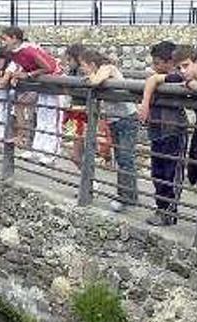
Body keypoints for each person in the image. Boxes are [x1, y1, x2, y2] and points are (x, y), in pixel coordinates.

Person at [140, 45, 197, 230]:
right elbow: (154, 78)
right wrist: (145, 103)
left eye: (186, 66)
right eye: (179, 68)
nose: (182, 71)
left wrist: (191, 84)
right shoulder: (184, 75)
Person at [81, 50, 139, 212]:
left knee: (126, 159)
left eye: (84, 66)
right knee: (121, 159)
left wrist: (91, 77)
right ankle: (127, 196)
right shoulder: (101, 70)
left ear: (92, 64)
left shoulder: (108, 68)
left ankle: (127, 198)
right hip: (116, 120)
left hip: (126, 119)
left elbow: (96, 81)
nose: (82, 70)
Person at [137, 41, 188, 223]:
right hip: (158, 130)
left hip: (174, 130)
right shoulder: (163, 76)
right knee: (157, 172)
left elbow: (152, 79)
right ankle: (161, 208)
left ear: (170, 63)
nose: (154, 67)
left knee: (171, 173)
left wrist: (145, 102)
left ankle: (170, 212)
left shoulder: (177, 77)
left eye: (158, 63)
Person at [0, 26, 63, 165]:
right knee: (41, 117)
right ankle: (39, 150)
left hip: (54, 82)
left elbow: (47, 67)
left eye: (5, 39)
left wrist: (27, 75)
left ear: (14, 38)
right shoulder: (14, 52)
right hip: (41, 84)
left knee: (52, 118)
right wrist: (17, 75)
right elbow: (22, 65)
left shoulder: (29, 50)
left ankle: (52, 153)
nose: (3, 42)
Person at [62, 44, 89, 165]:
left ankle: (89, 181)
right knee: (78, 145)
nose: (68, 63)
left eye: (69, 60)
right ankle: (88, 180)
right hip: (76, 109)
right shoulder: (73, 71)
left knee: (77, 152)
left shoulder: (83, 71)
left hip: (82, 111)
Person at [0, 47, 20, 148]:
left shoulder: (11, 66)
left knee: (7, 117)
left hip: (10, 98)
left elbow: (2, 84)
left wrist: (3, 73)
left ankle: (5, 140)